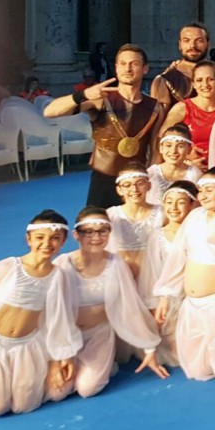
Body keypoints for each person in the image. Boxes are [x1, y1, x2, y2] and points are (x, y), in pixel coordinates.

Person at [0, 211, 81, 419]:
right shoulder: (9, 267)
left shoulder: (57, 275)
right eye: (40, 238)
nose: (47, 244)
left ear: (63, 241)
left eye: (55, 238)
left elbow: (56, 319)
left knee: (25, 405)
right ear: (29, 239)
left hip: (27, 346)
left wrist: (56, 360)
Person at [48, 208, 168, 402]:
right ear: (76, 235)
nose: (96, 237)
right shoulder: (63, 263)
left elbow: (130, 306)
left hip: (98, 335)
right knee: (56, 393)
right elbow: (51, 311)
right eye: (88, 231)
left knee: (87, 389)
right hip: (66, 335)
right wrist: (56, 357)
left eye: (103, 230)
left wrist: (149, 348)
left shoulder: (115, 263)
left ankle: (103, 362)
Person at [153, 166, 215, 381]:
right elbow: (179, 256)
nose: (203, 195)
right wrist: (165, 295)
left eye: (209, 189)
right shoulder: (196, 215)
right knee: (197, 371)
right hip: (192, 305)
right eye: (200, 190)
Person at [45, 44, 165, 208]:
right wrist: (83, 94)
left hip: (136, 180)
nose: (127, 68)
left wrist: (151, 180)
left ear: (145, 69)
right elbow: (50, 111)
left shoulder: (155, 107)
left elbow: (155, 151)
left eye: (134, 64)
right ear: (116, 68)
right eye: (122, 64)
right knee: (97, 229)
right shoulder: (102, 99)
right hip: (103, 178)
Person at [137, 180, 199, 366]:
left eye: (180, 202)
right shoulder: (158, 236)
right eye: (169, 202)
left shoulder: (198, 232)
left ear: (193, 204)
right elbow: (153, 273)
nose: (173, 207)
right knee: (179, 355)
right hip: (170, 300)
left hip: (194, 296)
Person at [161, 60, 215, 169]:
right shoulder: (182, 108)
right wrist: (185, 158)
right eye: (199, 80)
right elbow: (161, 140)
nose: (205, 85)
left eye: (210, 79)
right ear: (194, 84)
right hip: (189, 172)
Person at [107, 163, 164, 281]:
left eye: (140, 183)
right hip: (121, 279)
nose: (134, 189)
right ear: (119, 190)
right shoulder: (110, 215)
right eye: (127, 185)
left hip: (153, 279)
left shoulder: (162, 214)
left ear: (149, 186)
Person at [150, 23, 212, 111]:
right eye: (186, 40)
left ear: (208, 44)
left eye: (199, 41)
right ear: (180, 44)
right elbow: (159, 119)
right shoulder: (165, 80)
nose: (192, 46)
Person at [146, 124, 203, 206]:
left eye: (180, 146)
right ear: (161, 148)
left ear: (189, 149)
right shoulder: (151, 173)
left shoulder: (195, 174)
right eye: (168, 145)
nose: (173, 151)